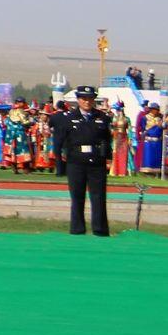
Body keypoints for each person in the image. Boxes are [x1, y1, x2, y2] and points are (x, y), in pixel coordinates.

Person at [52, 86, 113, 237]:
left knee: (98, 197)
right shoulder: (67, 118)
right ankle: (77, 229)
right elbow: (58, 143)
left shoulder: (102, 118)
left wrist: (108, 159)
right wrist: (60, 166)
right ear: (78, 99)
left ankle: (100, 230)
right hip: (76, 162)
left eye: (90, 98)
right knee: (77, 197)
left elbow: (106, 140)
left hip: (96, 162)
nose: (87, 102)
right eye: (84, 99)